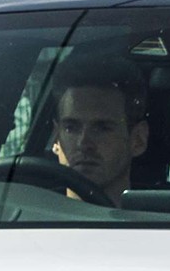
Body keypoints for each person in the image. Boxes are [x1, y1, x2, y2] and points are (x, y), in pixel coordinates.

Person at [42, 59, 153, 206]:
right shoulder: (22, 218)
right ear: (56, 139)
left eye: (102, 128)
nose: (83, 143)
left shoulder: (164, 226)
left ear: (138, 139)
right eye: (71, 128)